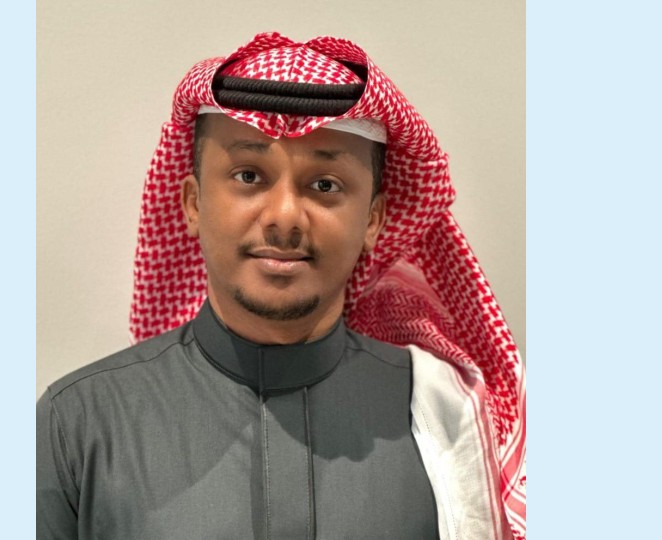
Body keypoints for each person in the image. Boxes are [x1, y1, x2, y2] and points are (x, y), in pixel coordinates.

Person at [37, 32, 525, 540]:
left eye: (325, 185)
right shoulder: (77, 424)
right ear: (194, 204)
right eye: (249, 176)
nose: (285, 217)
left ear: (373, 220)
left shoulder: (449, 418)